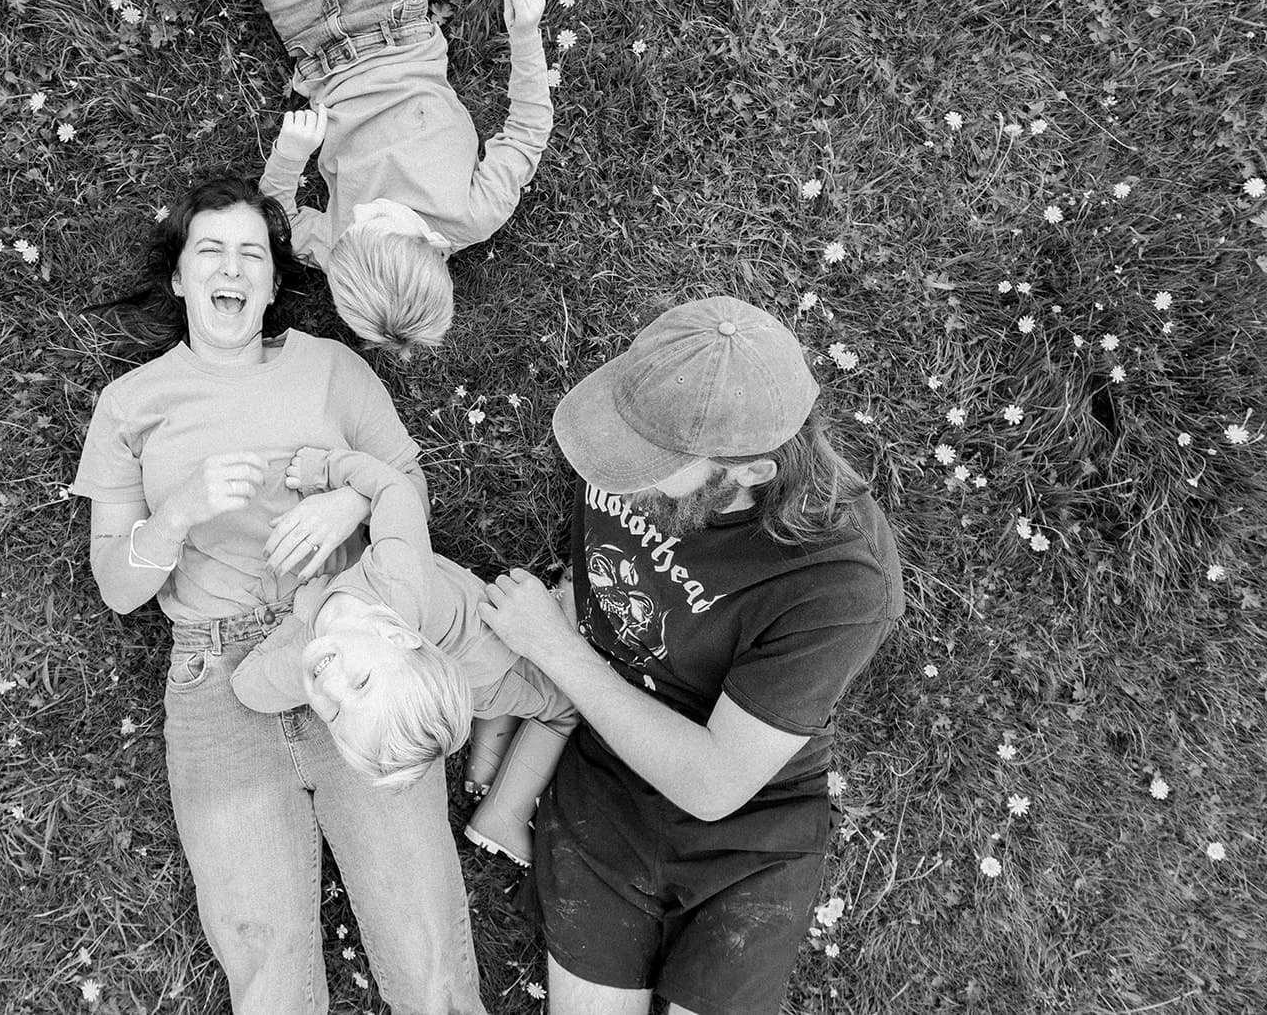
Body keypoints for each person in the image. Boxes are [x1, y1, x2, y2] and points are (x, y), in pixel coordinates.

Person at [70, 175, 486, 1015]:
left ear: (270, 280)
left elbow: (405, 482)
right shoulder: (130, 405)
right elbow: (117, 587)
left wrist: (348, 499)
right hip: (217, 681)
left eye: (251, 253)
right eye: (210, 251)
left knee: (427, 950)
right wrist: (180, 511)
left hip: (352, 644)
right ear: (181, 277)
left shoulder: (331, 368)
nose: (232, 268)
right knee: (266, 969)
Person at [479, 297, 905, 1015]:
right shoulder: (653, 409)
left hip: (749, 827)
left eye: (648, 467)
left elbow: (714, 782)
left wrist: (555, 649)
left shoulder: (842, 579)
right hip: (607, 779)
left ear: (751, 469)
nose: (612, 470)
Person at [228, 444, 577, 866]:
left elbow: (248, 687)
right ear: (395, 636)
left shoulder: (314, 657)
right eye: (361, 683)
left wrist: (295, 622)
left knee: (539, 704)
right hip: (497, 662)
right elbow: (394, 490)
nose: (331, 688)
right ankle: (500, 793)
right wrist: (330, 473)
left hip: (480, 675)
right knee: (564, 700)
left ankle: (495, 782)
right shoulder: (398, 571)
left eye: (335, 715)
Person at [235, 0, 552, 355]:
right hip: (391, 15)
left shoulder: (343, 248)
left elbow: (276, 224)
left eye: (354, 228)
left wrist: (290, 155)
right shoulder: (475, 213)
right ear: (434, 250)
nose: (362, 210)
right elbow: (527, 133)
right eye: (379, 219)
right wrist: (526, 35)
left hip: (313, 42)